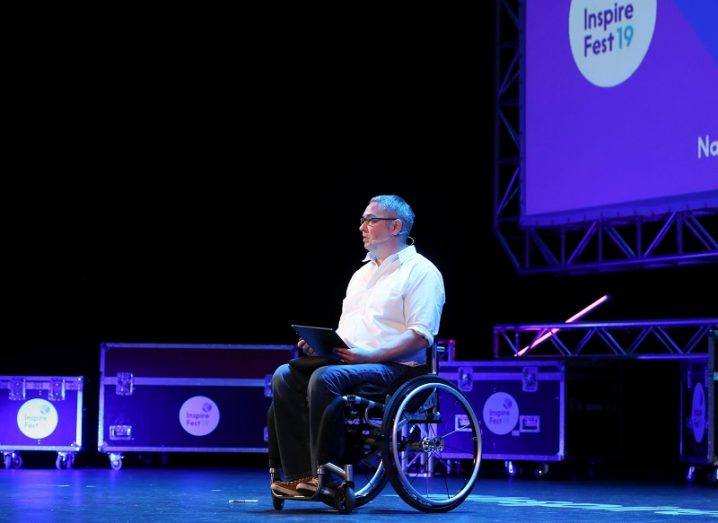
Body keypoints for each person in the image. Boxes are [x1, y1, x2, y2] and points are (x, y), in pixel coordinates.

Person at [269, 194, 445, 496]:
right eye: (363, 220)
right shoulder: (361, 275)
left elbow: (419, 335)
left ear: (396, 226)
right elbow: (350, 332)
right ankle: (301, 476)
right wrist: (322, 347)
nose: (362, 226)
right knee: (285, 375)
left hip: (395, 369)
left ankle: (328, 476)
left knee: (326, 378)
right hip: (353, 362)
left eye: (371, 220)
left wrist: (370, 354)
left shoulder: (422, 272)